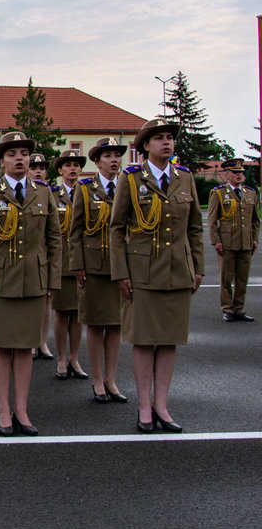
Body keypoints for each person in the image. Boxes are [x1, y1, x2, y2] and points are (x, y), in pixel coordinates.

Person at [110, 118, 203, 433]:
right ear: (145, 146)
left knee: (168, 341)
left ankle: (162, 405)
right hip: (142, 272)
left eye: (170, 138)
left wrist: (198, 267)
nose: (167, 143)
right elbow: (117, 227)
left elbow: (194, 228)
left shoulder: (184, 178)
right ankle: (144, 407)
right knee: (143, 340)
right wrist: (121, 272)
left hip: (177, 270)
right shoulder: (132, 179)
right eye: (159, 138)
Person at [0, 131, 61, 436]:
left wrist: (51, 280)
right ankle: (4, 410)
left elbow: (54, 240)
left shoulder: (43, 192)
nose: (19, 158)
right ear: (2, 161)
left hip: (33, 280)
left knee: (25, 348)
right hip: (0, 281)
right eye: (12, 154)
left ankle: (22, 409)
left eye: (23, 153)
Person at [71, 137, 129, 403]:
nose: (114, 160)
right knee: (95, 325)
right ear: (97, 161)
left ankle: (112, 379)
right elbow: (76, 232)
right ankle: (97, 380)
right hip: (93, 267)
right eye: (108, 156)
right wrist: (78, 265)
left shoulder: (129, 187)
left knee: (116, 325)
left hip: (121, 267)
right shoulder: (84, 189)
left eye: (117, 155)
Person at [50, 149, 89, 381]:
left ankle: (75, 357)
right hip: (63, 262)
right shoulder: (53, 194)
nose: (73, 169)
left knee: (78, 314)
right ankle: (62, 358)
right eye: (68, 165)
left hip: (83, 261)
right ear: (60, 170)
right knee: (63, 313)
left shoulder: (87, 193)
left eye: (76, 165)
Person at [208, 157, 259, 322]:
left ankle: (239, 309)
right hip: (227, 243)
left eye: (241, 172)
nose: (239, 175)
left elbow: (255, 220)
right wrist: (216, 241)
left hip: (246, 243)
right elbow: (212, 220)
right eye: (235, 172)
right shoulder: (218, 193)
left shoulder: (251, 193)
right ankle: (227, 309)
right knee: (226, 279)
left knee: (243, 279)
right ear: (227, 174)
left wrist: (255, 239)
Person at [27, 153, 58, 362]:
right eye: (34, 167)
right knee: (29, 303)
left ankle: (42, 340)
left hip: (44, 256)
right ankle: (30, 340)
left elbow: (54, 233)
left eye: (42, 167)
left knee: (46, 302)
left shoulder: (47, 193)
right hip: (29, 256)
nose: (38, 171)